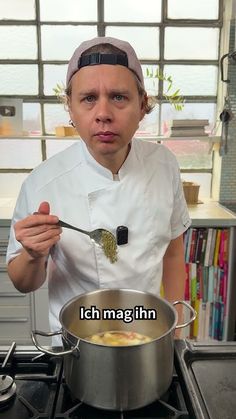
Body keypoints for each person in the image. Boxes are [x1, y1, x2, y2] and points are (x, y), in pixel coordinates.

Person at [6, 36, 191, 342]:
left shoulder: (164, 165)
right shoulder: (43, 184)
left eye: (119, 97)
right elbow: (23, 282)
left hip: (147, 337)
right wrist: (33, 255)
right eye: (88, 98)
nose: (103, 113)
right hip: (75, 345)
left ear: (143, 105)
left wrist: (177, 329)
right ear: (70, 108)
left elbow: (173, 253)